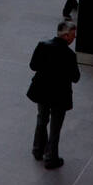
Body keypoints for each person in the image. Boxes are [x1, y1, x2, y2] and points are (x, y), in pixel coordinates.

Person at [26, 20, 80, 167]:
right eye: (73, 36)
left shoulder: (42, 45)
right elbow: (76, 78)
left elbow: (33, 66)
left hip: (42, 91)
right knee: (55, 127)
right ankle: (51, 157)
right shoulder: (69, 55)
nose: (74, 39)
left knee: (42, 119)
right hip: (59, 96)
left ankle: (38, 149)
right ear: (66, 36)